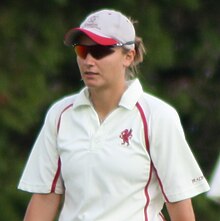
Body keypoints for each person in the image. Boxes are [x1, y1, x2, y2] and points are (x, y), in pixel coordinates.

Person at [18, 9, 210, 221]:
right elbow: (45, 197)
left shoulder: (158, 116)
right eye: (82, 50)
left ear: (128, 56)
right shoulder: (60, 115)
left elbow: (179, 204)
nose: (89, 60)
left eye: (100, 51)